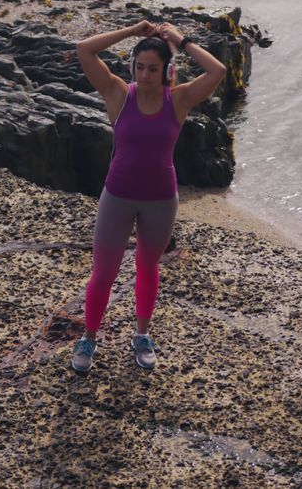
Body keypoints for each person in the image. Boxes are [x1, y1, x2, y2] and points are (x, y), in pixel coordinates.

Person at [72, 20, 227, 371]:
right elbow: (85, 49)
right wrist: (131, 31)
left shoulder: (180, 98)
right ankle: (89, 338)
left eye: (153, 69)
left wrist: (180, 40)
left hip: (161, 200)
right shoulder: (117, 93)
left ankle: (141, 335)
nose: (144, 75)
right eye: (139, 67)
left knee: (147, 266)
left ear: (166, 71)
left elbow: (217, 70)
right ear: (132, 68)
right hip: (118, 196)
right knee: (103, 273)